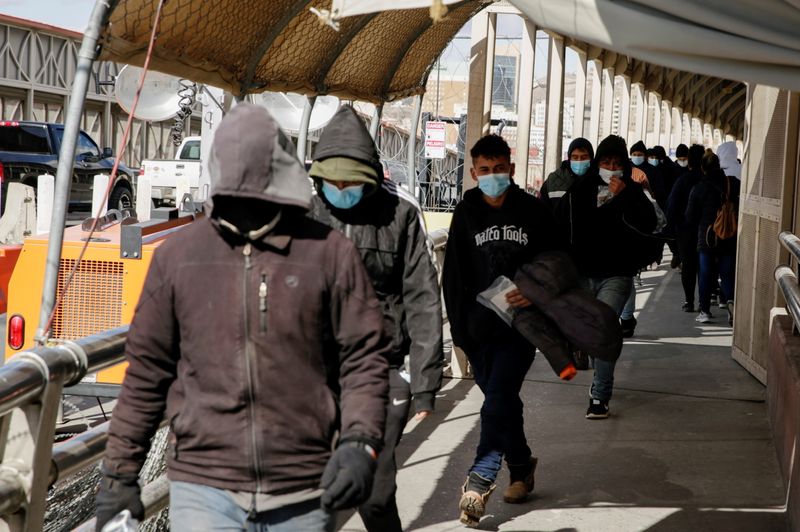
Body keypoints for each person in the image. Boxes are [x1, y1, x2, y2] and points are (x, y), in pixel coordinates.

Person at [95, 104, 391, 532]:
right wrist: (119, 477)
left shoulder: (328, 254)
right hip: (203, 486)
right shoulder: (179, 258)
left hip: (305, 488)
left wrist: (360, 442)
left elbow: (364, 358)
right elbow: (147, 373)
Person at [307, 105, 444, 532]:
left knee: (375, 491)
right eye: (333, 181)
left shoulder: (400, 215)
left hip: (381, 370)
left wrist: (425, 383)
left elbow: (423, 296)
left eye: (351, 181)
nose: (341, 188)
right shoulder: (304, 214)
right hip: (314, 371)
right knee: (316, 493)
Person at [442, 134, 561, 526]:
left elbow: (558, 262)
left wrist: (534, 292)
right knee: (503, 401)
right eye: (485, 171)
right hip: (476, 330)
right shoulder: (465, 214)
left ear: (511, 168)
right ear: (474, 173)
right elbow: (453, 276)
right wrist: (459, 333)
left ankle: (479, 482)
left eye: (499, 169)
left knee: (497, 398)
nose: (492, 176)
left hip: (520, 328)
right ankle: (522, 465)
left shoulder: (534, 212)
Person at [553, 135, 657, 419]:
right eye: (605, 162)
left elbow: (650, 223)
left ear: (624, 165)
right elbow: (561, 227)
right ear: (598, 162)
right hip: (583, 275)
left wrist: (626, 196)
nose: (611, 167)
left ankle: (600, 394)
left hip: (616, 274)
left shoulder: (633, 192)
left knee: (605, 329)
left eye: (616, 163)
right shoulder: (579, 190)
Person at [686, 151, 740, 325]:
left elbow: (690, 216)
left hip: (707, 236)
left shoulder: (699, 188)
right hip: (729, 235)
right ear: (719, 165)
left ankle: (704, 310)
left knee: (706, 274)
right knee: (727, 272)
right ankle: (730, 301)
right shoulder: (732, 183)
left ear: (703, 168)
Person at [666, 144, 706, 312]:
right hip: (707, 230)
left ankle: (689, 301)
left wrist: (672, 227)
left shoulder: (682, 180)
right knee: (705, 267)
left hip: (685, 230)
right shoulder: (708, 180)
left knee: (688, 266)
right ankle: (705, 303)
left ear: (689, 161)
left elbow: (672, 206)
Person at [539, 137, 594, 209]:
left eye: (583, 157)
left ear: (591, 159)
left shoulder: (598, 180)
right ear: (569, 158)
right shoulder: (553, 180)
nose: (579, 161)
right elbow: (541, 210)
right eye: (575, 157)